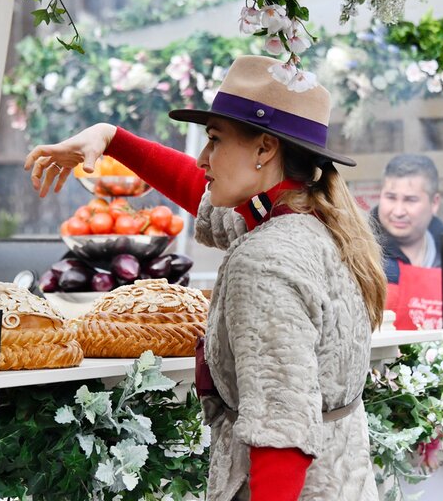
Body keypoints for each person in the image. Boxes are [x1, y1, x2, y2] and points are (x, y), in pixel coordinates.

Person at [25, 55, 386, 500]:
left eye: (214, 140)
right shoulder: (314, 220)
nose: (202, 158)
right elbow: (201, 192)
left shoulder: (266, 259)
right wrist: (111, 138)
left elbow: (281, 431)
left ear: (264, 149)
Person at [372, 154, 443, 330]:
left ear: (434, 203)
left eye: (410, 200)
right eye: (391, 197)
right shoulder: (361, 252)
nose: (398, 211)